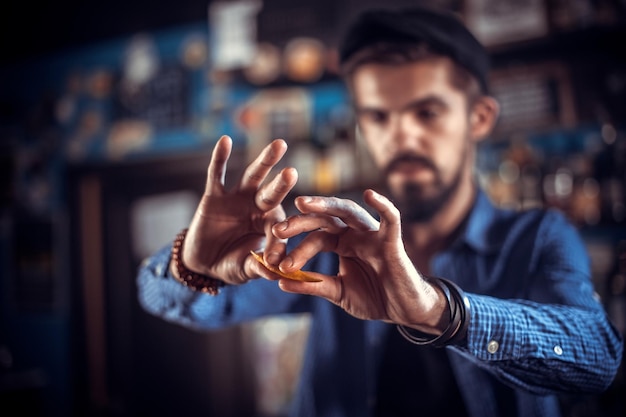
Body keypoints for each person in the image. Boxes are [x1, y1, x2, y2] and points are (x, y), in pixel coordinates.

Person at [137, 6, 623, 417]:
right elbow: (168, 297)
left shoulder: (536, 238)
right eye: (377, 116)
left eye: (427, 112)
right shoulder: (327, 244)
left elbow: (599, 358)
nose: (401, 136)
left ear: (479, 118)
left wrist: (440, 312)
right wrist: (194, 267)